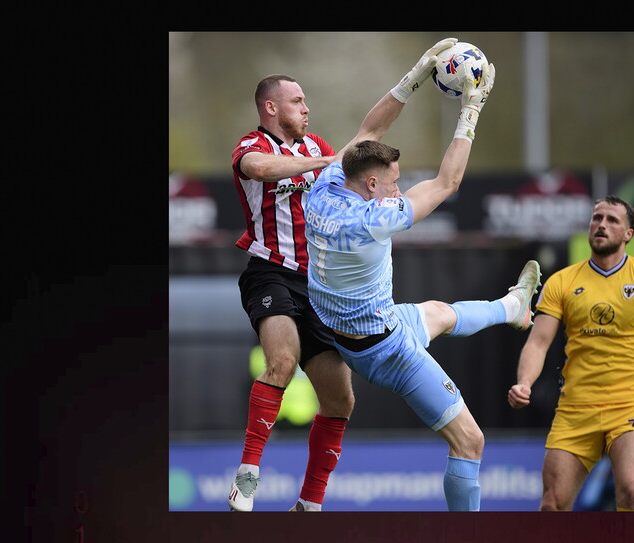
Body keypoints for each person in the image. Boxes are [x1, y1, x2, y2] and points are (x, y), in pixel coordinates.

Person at [303, 39, 541, 511]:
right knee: (470, 443)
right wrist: (472, 107)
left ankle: (513, 308)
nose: (398, 187)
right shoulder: (374, 218)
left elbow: (369, 129)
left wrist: (414, 78)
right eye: (392, 181)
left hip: (354, 328)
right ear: (372, 185)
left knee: (439, 313)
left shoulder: (326, 184)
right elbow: (447, 183)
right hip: (386, 350)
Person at [507, 195, 634, 512]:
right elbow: (538, 342)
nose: (601, 225)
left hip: (629, 404)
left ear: (628, 234)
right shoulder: (562, 282)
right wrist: (524, 382)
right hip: (575, 408)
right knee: (552, 504)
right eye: (597, 218)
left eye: (611, 220)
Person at [226, 72, 351, 512]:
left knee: (341, 399)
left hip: (317, 284)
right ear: (271, 108)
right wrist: (321, 164)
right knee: (281, 360)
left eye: (306, 100)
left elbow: (356, 155)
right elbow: (260, 170)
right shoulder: (250, 147)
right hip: (269, 271)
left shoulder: (316, 145)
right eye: (297, 101)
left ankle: (309, 504)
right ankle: (247, 476)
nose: (306, 108)